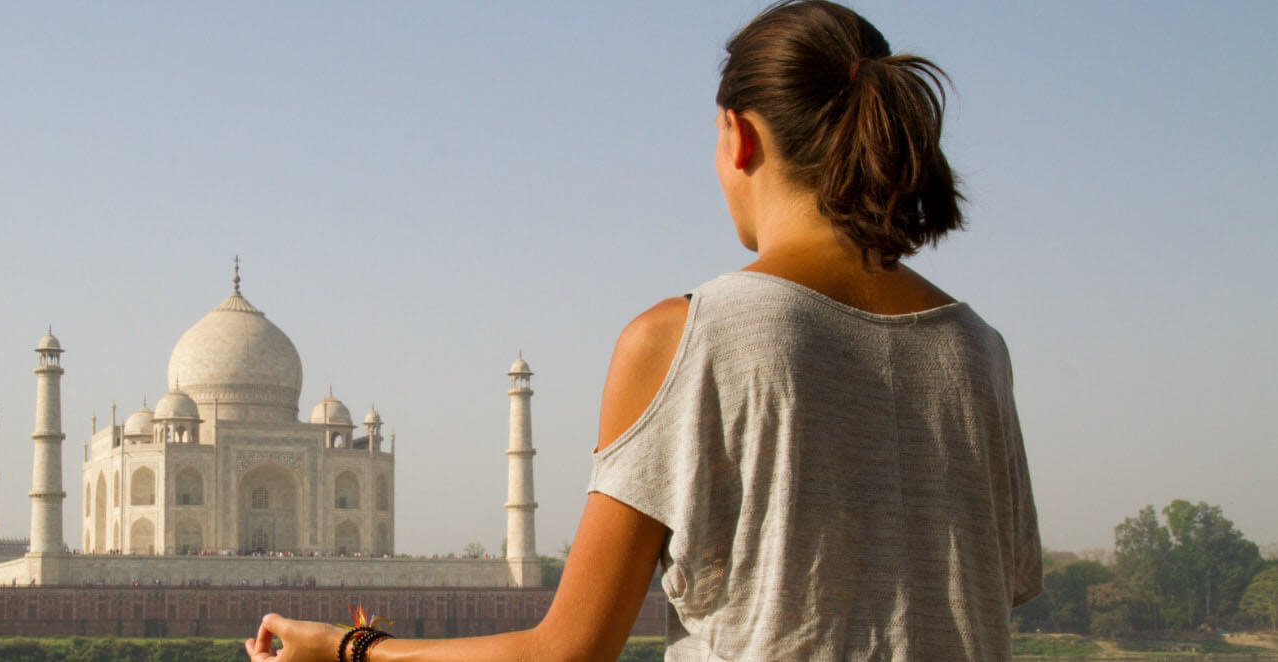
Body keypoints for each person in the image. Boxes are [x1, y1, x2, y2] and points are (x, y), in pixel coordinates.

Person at [245, 1, 1040, 660]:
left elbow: (568, 650)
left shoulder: (688, 336)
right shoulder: (979, 351)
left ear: (739, 137)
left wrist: (353, 649)